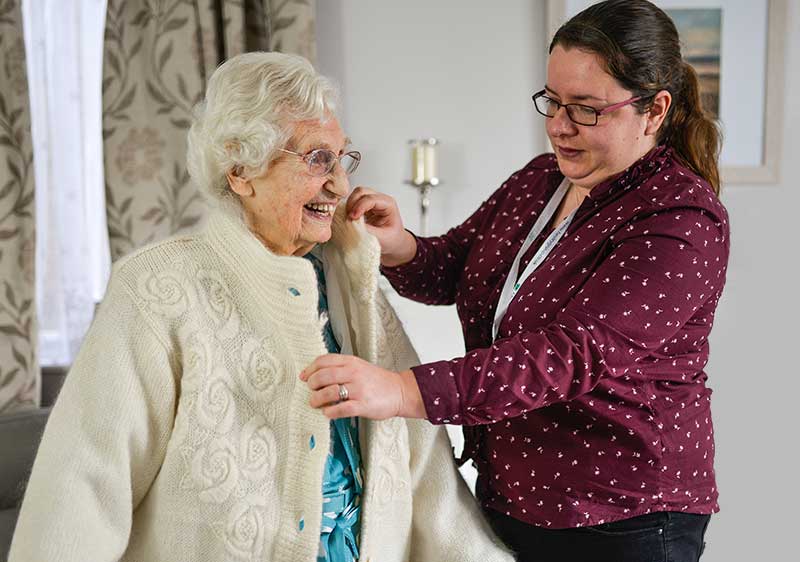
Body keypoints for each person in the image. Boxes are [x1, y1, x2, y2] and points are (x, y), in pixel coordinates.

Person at [9, 52, 513, 562]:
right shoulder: (160, 287)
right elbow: (85, 483)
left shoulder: (349, 280)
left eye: (342, 159)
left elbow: (424, 472)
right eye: (317, 159)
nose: (338, 185)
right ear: (241, 172)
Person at [302, 1, 729, 560]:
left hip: (623, 514)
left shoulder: (680, 219)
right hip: (513, 497)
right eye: (552, 101)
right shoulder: (541, 180)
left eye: (586, 110)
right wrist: (399, 245)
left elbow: (570, 354)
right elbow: (458, 268)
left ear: (653, 111)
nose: (559, 125)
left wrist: (404, 390)